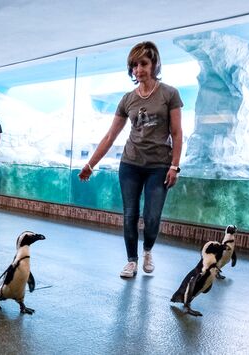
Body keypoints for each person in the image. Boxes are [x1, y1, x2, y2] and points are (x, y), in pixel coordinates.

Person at [78, 41, 183, 278]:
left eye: (143, 64)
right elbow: (110, 135)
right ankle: (131, 261)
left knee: (153, 215)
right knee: (130, 214)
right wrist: (90, 165)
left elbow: (177, 133)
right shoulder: (127, 99)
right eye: (134, 65)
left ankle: (147, 251)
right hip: (130, 164)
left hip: (159, 166)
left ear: (154, 64)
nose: (138, 69)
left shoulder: (170, 94)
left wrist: (174, 165)